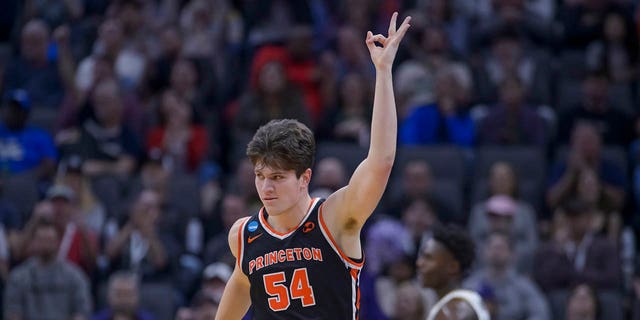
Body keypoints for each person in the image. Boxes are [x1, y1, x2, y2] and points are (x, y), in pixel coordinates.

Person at [215, 12, 411, 319]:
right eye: (260, 176)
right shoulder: (243, 234)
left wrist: (383, 72)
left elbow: (381, 160)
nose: (266, 187)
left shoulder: (335, 217)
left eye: (277, 177)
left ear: (304, 177)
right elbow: (240, 288)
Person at [416, 224, 490, 320]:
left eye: (428, 258)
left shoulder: (453, 310)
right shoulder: (460, 302)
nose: (419, 263)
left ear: (452, 267)